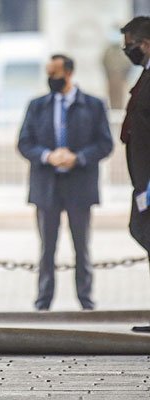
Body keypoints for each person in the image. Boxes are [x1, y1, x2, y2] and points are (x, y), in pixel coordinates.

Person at [17, 54, 113, 311]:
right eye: (48, 73)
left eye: (55, 73)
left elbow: (105, 144)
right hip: (46, 187)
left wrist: (77, 158)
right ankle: (43, 300)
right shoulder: (37, 105)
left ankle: (86, 299)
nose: (51, 79)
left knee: (82, 246)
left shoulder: (93, 105)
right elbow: (24, 143)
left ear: (69, 73)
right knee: (47, 247)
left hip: (79, 186)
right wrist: (48, 156)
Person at [119, 17, 150, 333]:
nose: (127, 50)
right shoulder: (145, 74)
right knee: (140, 229)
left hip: (149, 181)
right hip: (143, 180)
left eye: (130, 44)